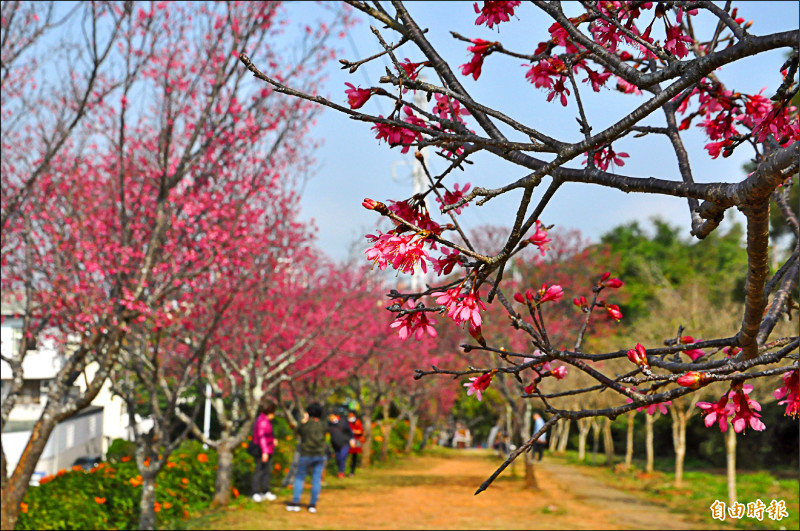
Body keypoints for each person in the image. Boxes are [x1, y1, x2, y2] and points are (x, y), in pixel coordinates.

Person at [287, 402, 327, 513]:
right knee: (316, 479)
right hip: (319, 455)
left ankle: (296, 502)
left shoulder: (305, 425)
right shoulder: (323, 425)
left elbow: (297, 431)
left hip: (306, 454)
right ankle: (312, 505)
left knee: (299, 478)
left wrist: (304, 420)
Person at [251, 402, 278, 502]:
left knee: (266, 470)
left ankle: (265, 491)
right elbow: (262, 437)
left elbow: (267, 436)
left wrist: (272, 440)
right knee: (260, 470)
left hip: (267, 449)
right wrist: (265, 452)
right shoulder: (262, 421)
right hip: (262, 450)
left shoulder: (264, 420)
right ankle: (255, 492)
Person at [327, 411, 354, 479]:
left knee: (342, 456)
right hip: (335, 445)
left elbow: (350, 432)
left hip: (344, 443)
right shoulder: (329, 424)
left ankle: (341, 472)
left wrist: (351, 440)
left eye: (331, 416)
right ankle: (341, 470)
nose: (330, 418)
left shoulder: (343, 422)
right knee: (338, 458)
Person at [346, 409, 365, 477]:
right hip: (348, 440)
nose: (350, 417)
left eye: (352, 415)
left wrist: (353, 431)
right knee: (345, 455)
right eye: (349, 415)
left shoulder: (358, 422)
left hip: (357, 440)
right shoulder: (347, 422)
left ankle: (352, 472)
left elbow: (361, 431)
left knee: (354, 457)